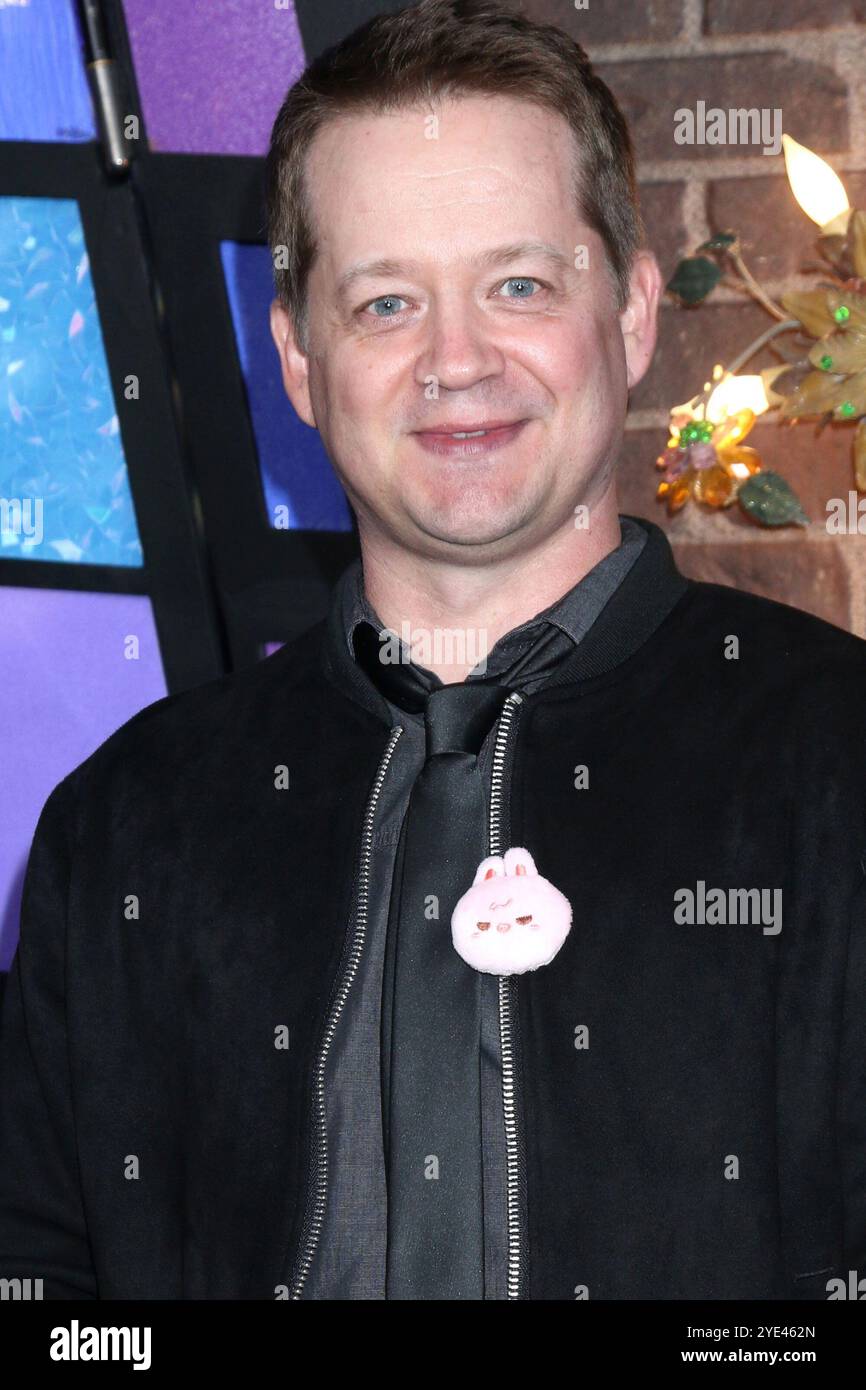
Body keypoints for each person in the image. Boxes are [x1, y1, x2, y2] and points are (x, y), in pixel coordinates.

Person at [0, 0, 864, 1301]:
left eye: (517, 285)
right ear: (297, 359)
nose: (455, 361)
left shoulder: (837, 760)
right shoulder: (125, 825)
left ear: (629, 315)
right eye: (386, 301)